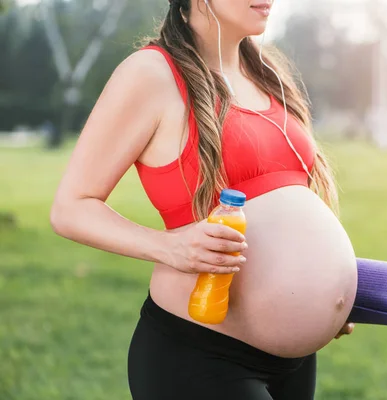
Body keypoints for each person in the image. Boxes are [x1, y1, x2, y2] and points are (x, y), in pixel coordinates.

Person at [50, 0, 358, 399]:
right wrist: (169, 246)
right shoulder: (152, 73)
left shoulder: (268, 73)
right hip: (202, 355)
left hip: (296, 363)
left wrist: (328, 293)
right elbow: (71, 207)